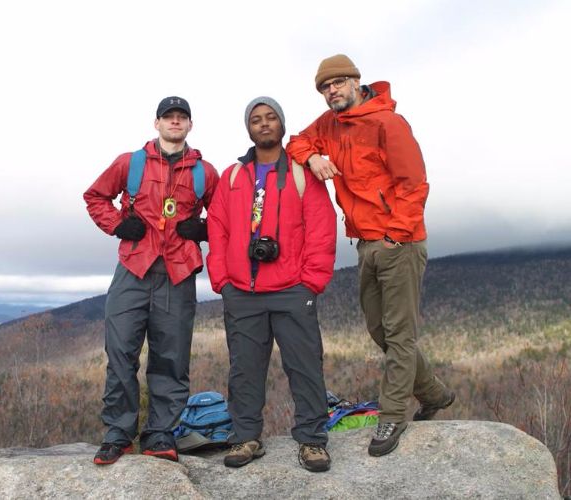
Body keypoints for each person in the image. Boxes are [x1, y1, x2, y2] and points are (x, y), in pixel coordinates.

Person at [286, 54, 456, 457]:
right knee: (380, 330)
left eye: (337, 84)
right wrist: (313, 157)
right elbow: (297, 141)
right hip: (365, 243)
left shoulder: (388, 124)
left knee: (399, 334)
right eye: (325, 88)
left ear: (355, 81)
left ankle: (393, 413)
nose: (332, 92)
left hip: (399, 241)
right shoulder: (330, 124)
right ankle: (433, 393)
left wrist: (396, 235)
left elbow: (415, 185)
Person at [84, 96, 219, 465]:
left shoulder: (204, 172)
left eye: (182, 117)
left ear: (190, 125)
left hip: (178, 271)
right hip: (134, 267)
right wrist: (117, 224)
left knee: (171, 358)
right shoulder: (131, 163)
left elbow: (225, 215)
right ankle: (118, 433)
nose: (175, 123)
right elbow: (95, 196)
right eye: (168, 117)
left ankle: (160, 433)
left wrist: (204, 228)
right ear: (156, 123)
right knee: (121, 352)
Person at [206, 97, 337, 472]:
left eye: (271, 118)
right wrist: (222, 279)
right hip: (242, 292)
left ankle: (312, 441)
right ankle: (246, 437)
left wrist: (310, 282)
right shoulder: (233, 176)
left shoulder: (300, 173)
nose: (264, 124)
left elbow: (321, 228)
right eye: (256, 119)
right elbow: (217, 227)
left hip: (292, 290)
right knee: (244, 369)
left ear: (281, 124)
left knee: (305, 366)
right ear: (248, 128)